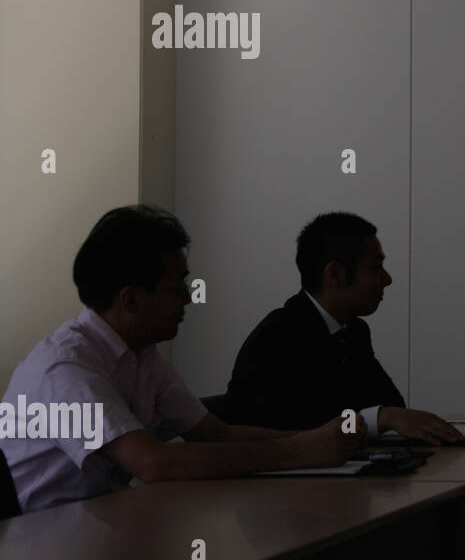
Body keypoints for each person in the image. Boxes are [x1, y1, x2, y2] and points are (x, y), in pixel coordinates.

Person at [1, 206, 362, 513]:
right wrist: (298, 453)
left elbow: (215, 434)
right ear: (130, 300)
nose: (189, 299)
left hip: (98, 524)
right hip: (34, 546)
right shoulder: (65, 368)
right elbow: (153, 463)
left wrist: (318, 439)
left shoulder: (142, 354)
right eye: (177, 289)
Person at [221, 212, 461, 445]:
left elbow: (392, 405)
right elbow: (300, 429)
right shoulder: (277, 338)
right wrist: (382, 417)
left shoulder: (354, 331)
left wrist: (386, 415)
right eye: (375, 268)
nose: (387, 279)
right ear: (335, 274)